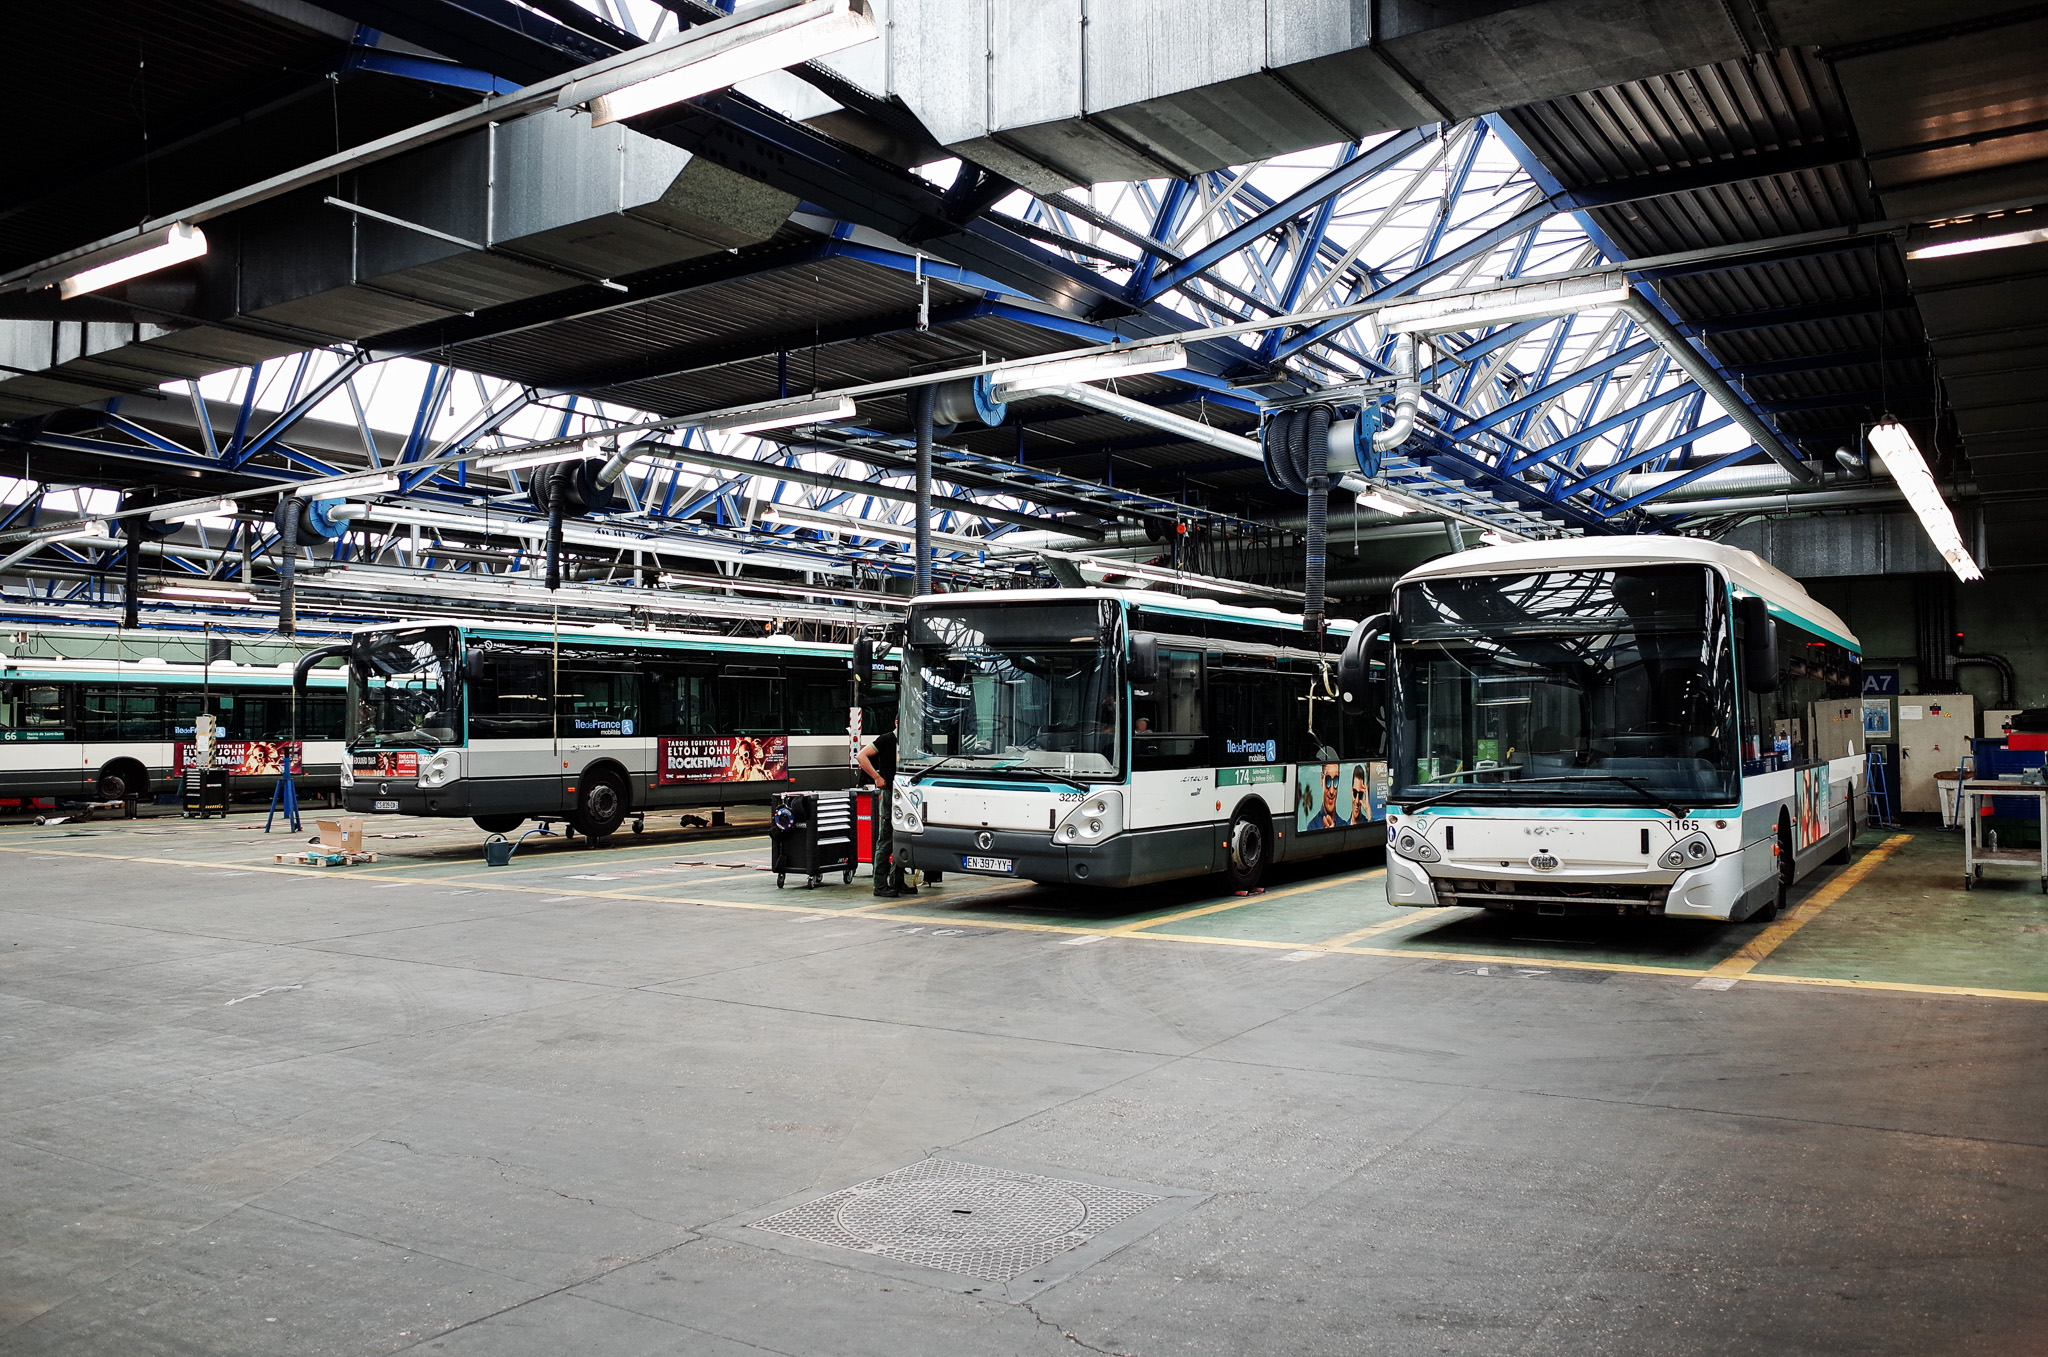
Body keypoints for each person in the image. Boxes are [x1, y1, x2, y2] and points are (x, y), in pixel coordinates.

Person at [858, 723, 911, 897]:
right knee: (887, 838)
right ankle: (879, 884)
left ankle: (897, 880)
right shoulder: (887, 739)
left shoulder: (911, 739)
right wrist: (877, 777)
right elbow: (861, 756)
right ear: (897, 722)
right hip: (890, 793)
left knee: (903, 836)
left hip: (906, 793)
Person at [1306, 762, 1347, 830]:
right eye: (1328, 780)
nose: (1331, 791)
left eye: (1336, 781)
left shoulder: (1344, 824)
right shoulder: (1312, 826)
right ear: (1322, 778)